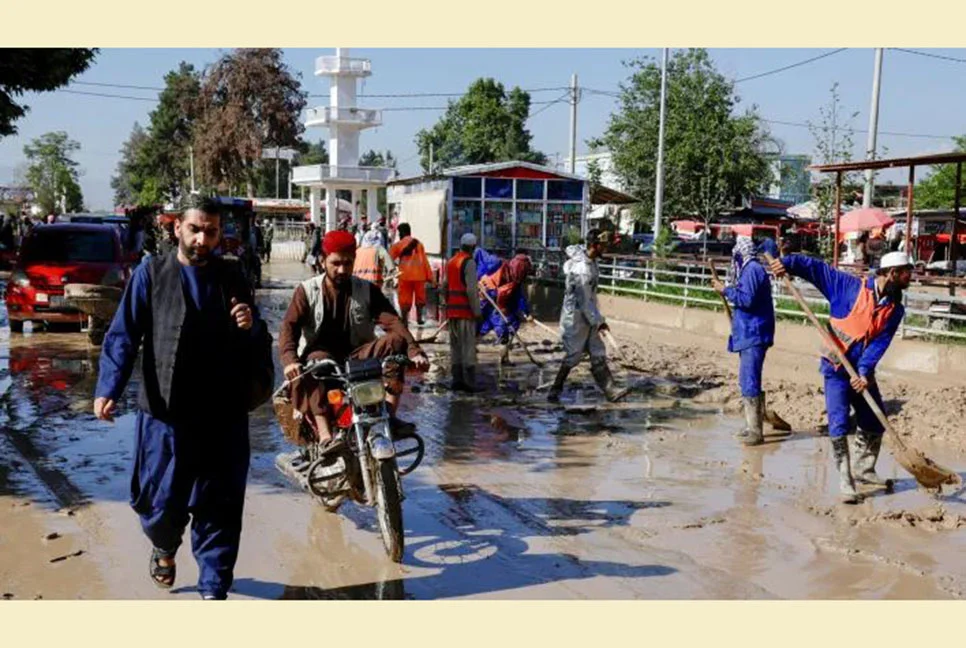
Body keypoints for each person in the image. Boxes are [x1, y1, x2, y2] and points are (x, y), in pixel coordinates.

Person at [93, 194, 274, 599]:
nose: (202, 239)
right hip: (166, 415)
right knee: (159, 503)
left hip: (223, 415)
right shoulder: (151, 274)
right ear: (177, 228)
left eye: (211, 232)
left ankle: (214, 588)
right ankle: (163, 545)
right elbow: (124, 335)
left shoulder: (233, 276)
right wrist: (108, 387)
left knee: (222, 507)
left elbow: (258, 335)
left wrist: (250, 324)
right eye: (195, 229)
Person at [768, 250, 912, 503]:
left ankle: (864, 469)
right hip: (836, 367)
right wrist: (787, 264)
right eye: (906, 273)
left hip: (861, 372)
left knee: (874, 419)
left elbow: (880, 344)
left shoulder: (894, 309)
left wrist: (865, 373)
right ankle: (846, 480)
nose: (910, 278)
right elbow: (815, 268)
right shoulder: (848, 287)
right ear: (891, 273)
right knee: (839, 423)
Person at [278, 230, 430, 446]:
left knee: (395, 341)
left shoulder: (367, 290)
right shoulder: (306, 291)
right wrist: (290, 360)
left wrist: (415, 352)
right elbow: (288, 328)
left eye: (348, 263)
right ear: (323, 261)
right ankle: (325, 436)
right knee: (314, 363)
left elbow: (393, 322)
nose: (342, 269)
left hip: (358, 357)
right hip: (321, 357)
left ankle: (389, 415)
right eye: (336, 263)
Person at [547, 229, 629, 403]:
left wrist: (597, 319)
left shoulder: (590, 261)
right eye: (603, 246)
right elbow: (584, 300)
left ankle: (610, 390)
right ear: (594, 245)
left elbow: (589, 299)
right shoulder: (582, 270)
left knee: (597, 350)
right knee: (574, 355)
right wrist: (599, 321)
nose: (606, 249)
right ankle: (555, 388)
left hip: (589, 313)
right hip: (576, 317)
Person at [710, 236, 775, 446]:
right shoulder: (748, 270)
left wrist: (725, 290)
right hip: (747, 331)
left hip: (754, 332)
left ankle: (755, 431)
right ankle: (752, 425)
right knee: (746, 378)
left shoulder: (753, 270)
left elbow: (746, 300)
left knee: (750, 379)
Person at [477, 249, 534, 364]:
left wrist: (526, 312)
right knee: (479, 328)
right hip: (485, 300)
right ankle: (466, 352)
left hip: (499, 305)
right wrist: (476, 281)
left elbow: (519, 296)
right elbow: (478, 253)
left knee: (512, 324)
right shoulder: (495, 263)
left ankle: (504, 353)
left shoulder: (516, 279)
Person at [443, 233, 482, 391]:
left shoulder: (452, 261)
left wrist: (448, 305)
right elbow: (471, 290)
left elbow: (444, 287)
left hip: (452, 313)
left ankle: (457, 380)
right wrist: (477, 312)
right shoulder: (469, 262)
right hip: (465, 313)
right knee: (468, 348)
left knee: (456, 348)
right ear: (472, 247)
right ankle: (470, 383)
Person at [389, 223, 435, 327]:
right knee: (420, 298)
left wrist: (392, 270)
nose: (399, 235)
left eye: (399, 233)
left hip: (405, 276)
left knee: (404, 300)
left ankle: (405, 320)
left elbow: (388, 258)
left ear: (403, 232)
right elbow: (425, 261)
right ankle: (419, 319)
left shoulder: (398, 245)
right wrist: (430, 277)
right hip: (419, 276)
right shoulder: (419, 244)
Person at [353, 223, 396, 291]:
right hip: (373, 283)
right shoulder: (379, 249)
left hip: (358, 283)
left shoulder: (357, 251)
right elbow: (389, 263)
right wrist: (392, 271)